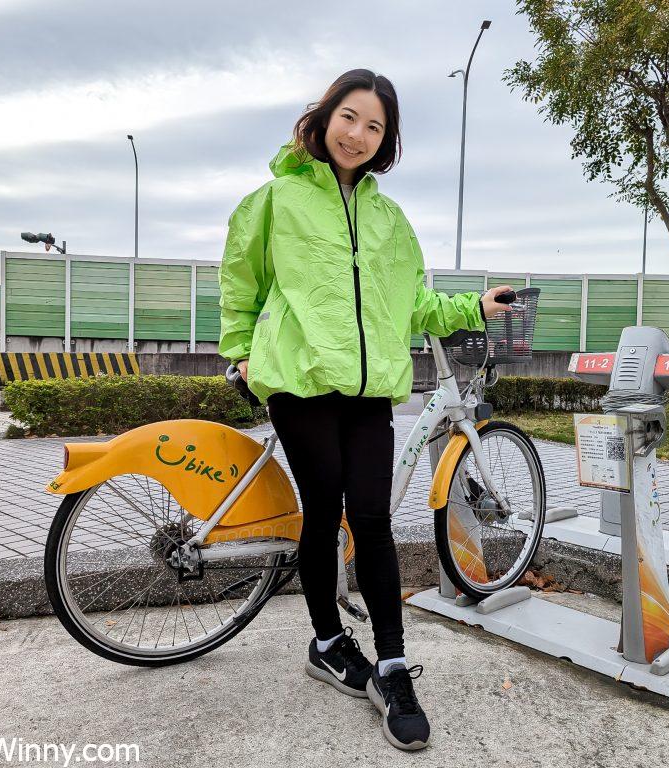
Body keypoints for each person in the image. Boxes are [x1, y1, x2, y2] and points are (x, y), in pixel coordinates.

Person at [218, 68, 512, 751]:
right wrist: (239, 352)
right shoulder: (274, 201)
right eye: (350, 117)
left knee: (374, 519)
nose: (358, 134)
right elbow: (241, 282)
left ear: (386, 141)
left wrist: (475, 304)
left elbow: (413, 304)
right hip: (298, 378)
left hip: (370, 388)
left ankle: (392, 664)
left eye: (374, 126)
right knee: (324, 513)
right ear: (324, 119)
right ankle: (326, 641)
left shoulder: (389, 219)